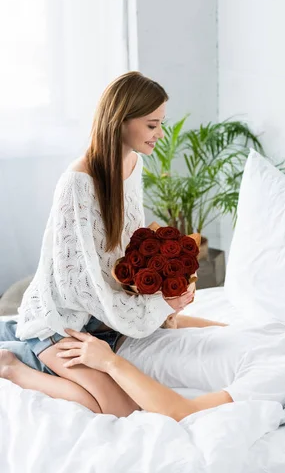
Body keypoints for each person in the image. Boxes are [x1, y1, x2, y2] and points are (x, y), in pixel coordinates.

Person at [0, 71, 196, 417]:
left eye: (160, 123)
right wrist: (158, 308)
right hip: (63, 319)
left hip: (104, 319)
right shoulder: (77, 183)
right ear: (121, 121)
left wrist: (160, 290)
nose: (160, 134)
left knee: (132, 396)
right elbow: (80, 284)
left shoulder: (133, 162)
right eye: (152, 125)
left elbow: (125, 250)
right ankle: (12, 364)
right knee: (115, 409)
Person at [48, 283, 285, 421]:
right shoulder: (281, 331)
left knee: (31, 343)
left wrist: (108, 361)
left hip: (106, 359)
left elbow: (183, 411)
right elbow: (216, 334)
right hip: (125, 332)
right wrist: (173, 318)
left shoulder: (280, 375)